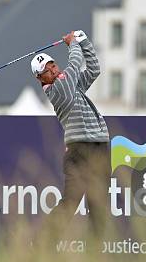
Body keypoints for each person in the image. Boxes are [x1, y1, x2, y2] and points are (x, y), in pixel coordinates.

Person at [30, 30, 110, 250]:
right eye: (47, 71)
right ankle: (43, 245)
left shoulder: (72, 85)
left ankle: (95, 255)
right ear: (40, 80)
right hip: (79, 151)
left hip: (100, 147)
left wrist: (84, 43)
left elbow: (94, 69)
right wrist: (73, 44)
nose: (53, 71)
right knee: (71, 202)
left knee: (99, 204)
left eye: (53, 65)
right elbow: (74, 67)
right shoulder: (57, 90)